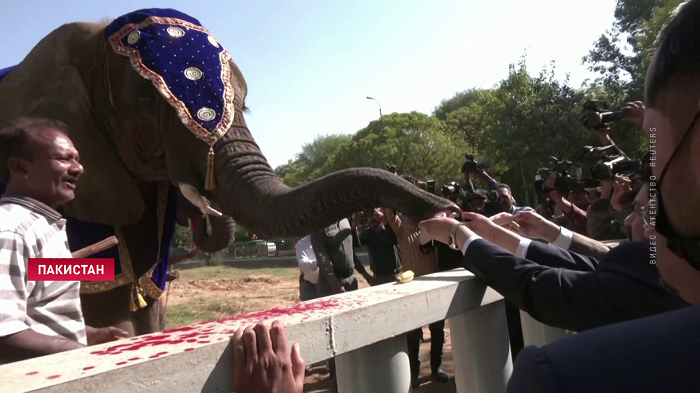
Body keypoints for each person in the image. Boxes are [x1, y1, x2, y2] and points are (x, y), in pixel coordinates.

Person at [0, 118, 128, 364]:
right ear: (19, 167)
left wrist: (88, 335)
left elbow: (37, 306)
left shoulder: (44, 225)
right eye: (63, 159)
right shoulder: (11, 232)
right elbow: (4, 333)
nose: (78, 168)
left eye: (77, 159)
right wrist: (82, 354)